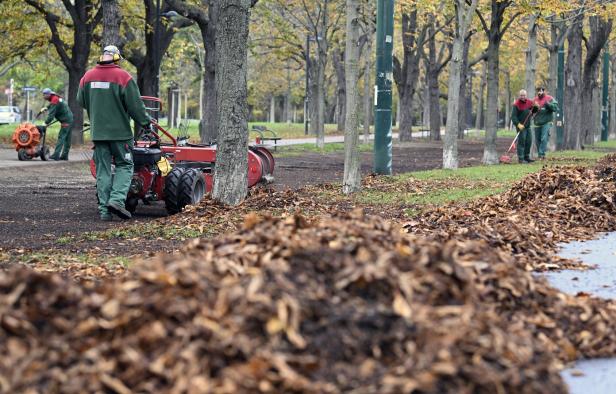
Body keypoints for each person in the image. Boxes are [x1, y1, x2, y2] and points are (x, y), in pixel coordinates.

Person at [77, 45, 151, 221]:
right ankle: (117, 200)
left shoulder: (87, 77)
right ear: (117, 59)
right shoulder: (123, 77)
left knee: (102, 170)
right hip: (121, 135)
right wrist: (146, 123)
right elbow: (135, 106)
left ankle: (104, 212)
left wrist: (98, 109)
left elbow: (81, 101)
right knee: (125, 165)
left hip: (98, 134)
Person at [42, 88, 74, 160]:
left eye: (44, 94)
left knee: (61, 137)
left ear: (48, 94)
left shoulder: (54, 99)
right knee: (67, 139)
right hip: (70, 118)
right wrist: (46, 107)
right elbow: (53, 105)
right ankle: (64, 156)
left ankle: (56, 155)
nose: (43, 96)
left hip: (66, 120)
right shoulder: (55, 98)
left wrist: (45, 123)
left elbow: (51, 115)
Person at [532, 86, 559, 160]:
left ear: (544, 91)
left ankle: (541, 154)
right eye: (538, 91)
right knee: (537, 140)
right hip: (537, 122)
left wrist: (548, 104)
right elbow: (531, 111)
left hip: (547, 122)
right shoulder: (534, 100)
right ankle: (540, 154)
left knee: (544, 138)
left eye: (541, 91)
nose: (539, 92)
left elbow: (555, 108)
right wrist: (534, 109)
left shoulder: (549, 98)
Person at [511, 89, 535, 164]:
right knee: (522, 141)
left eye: (524, 95)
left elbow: (534, 110)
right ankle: (521, 158)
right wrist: (518, 124)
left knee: (529, 141)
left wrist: (535, 109)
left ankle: (526, 157)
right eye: (521, 95)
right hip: (521, 126)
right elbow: (513, 117)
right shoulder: (516, 104)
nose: (522, 97)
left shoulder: (530, 102)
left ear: (526, 95)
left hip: (528, 126)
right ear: (519, 96)